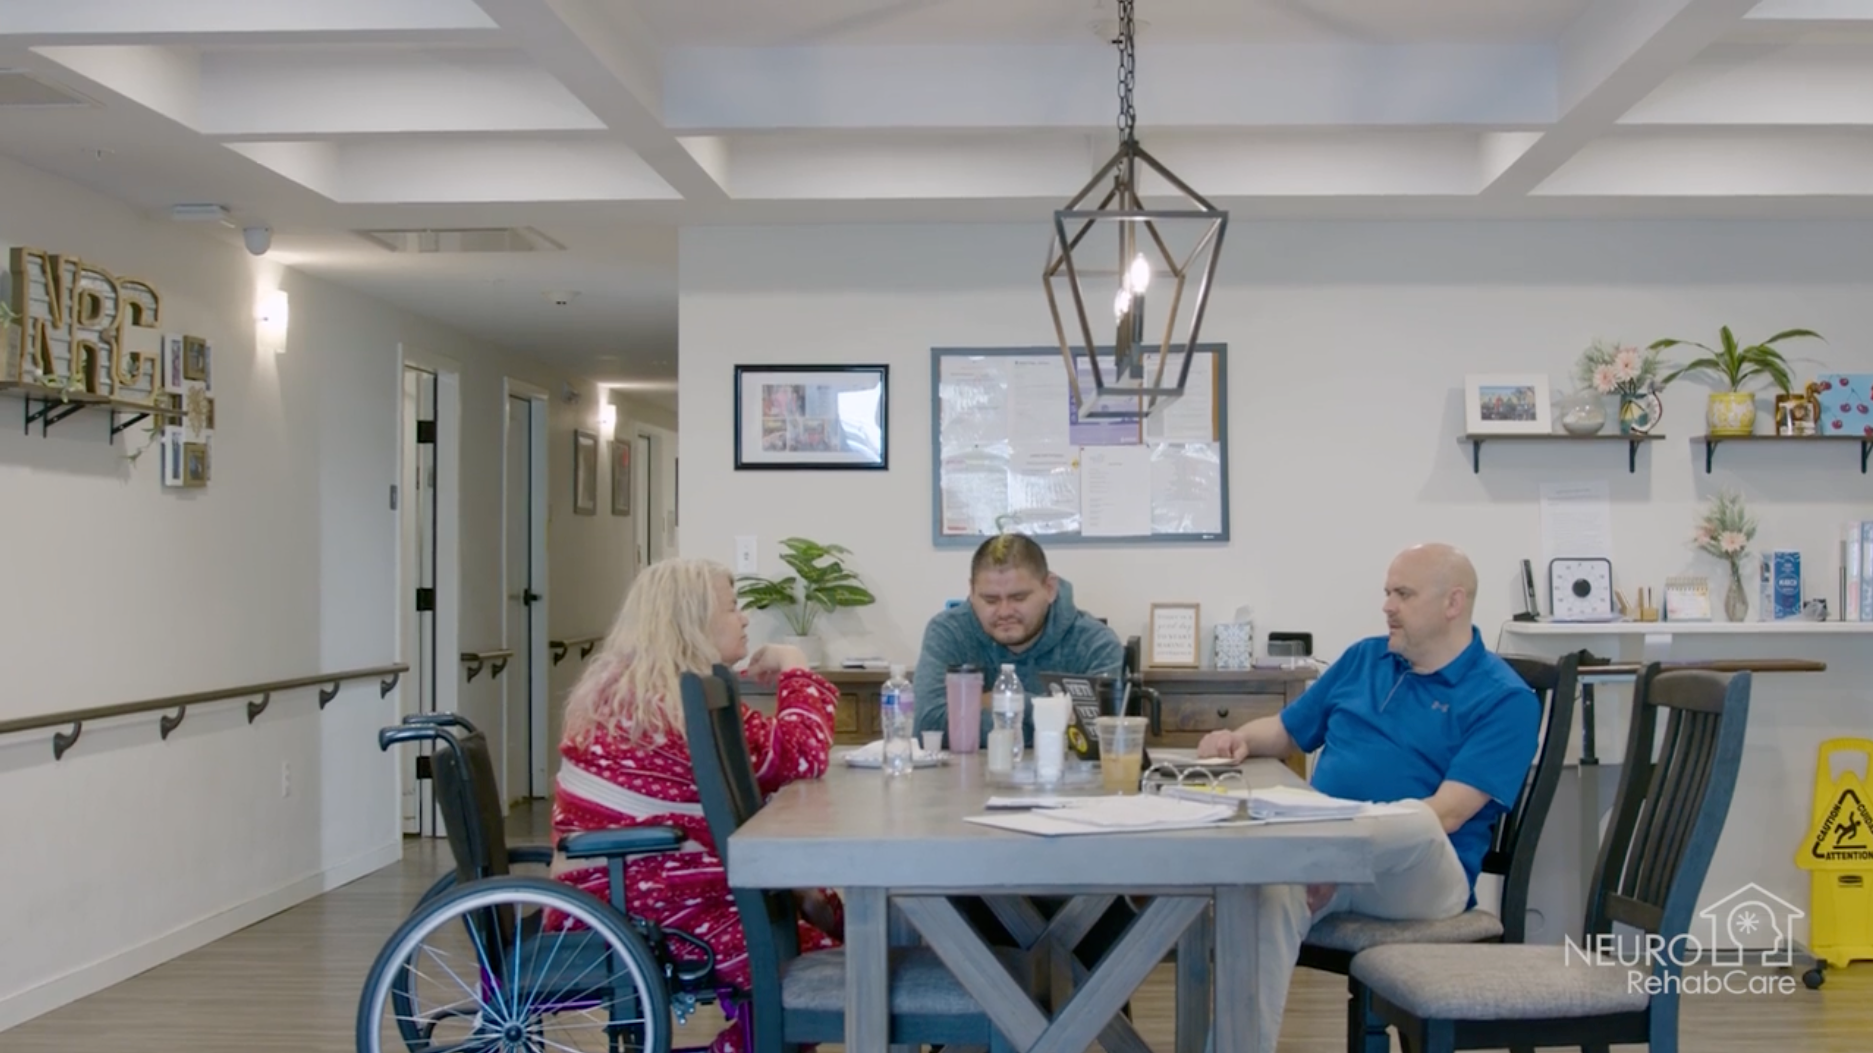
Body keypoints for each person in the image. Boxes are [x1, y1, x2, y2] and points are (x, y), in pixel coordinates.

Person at [1196, 542, 1540, 1053]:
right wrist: (1242, 739)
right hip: (1321, 864)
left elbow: (1447, 814)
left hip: (1421, 878)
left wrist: (1340, 848)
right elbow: (1289, 731)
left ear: (1454, 603)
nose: (1387, 606)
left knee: (1416, 822)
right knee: (1264, 894)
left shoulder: (1504, 697)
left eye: (1403, 593)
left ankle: (1313, 845)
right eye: (1386, 592)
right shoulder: (1363, 658)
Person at [550, 558, 842, 1053]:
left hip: (620, 884)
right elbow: (799, 755)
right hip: (643, 895)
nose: (744, 618)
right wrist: (795, 665)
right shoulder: (679, 700)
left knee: (822, 929)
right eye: (732, 608)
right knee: (817, 977)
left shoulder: (641, 690)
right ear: (693, 621)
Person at [913, 532, 1124, 749]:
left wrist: (999, 702)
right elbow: (929, 729)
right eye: (990, 600)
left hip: (1063, 780)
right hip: (965, 780)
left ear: (1049, 589)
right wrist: (1054, 717)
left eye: (1019, 598)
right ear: (972, 591)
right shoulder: (948, 632)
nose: (1004, 612)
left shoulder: (1095, 643)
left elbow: (1106, 737)